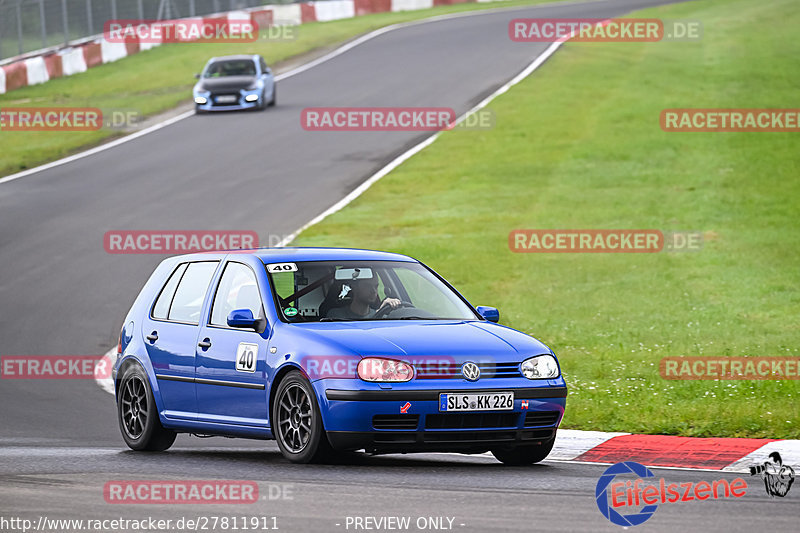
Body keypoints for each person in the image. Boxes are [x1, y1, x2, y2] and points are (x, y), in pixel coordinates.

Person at [326, 277, 401, 320]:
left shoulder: (380, 315)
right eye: (368, 286)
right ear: (354, 288)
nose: (374, 291)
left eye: (376, 286)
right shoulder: (336, 315)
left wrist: (383, 310)